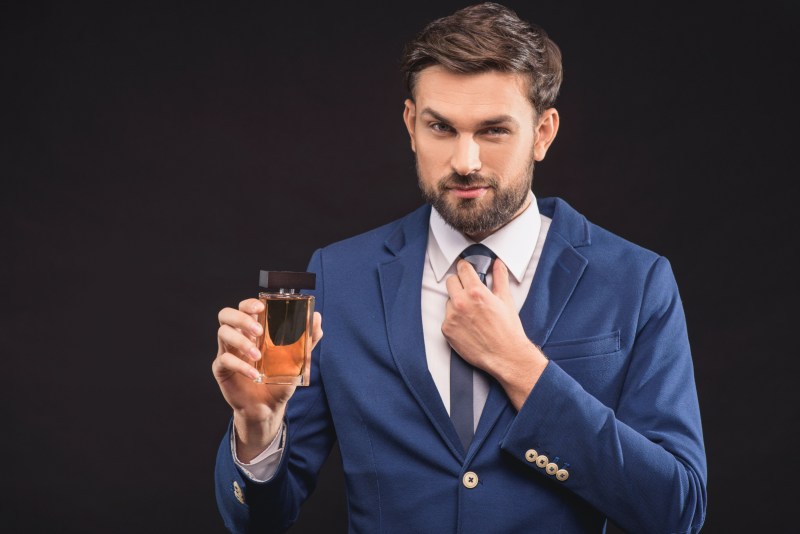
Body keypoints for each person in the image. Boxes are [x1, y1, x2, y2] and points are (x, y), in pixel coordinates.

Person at [212, 3, 707, 532]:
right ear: (410, 124)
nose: (465, 161)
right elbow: (259, 522)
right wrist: (257, 428)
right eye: (441, 127)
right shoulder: (340, 276)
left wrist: (523, 369)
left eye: (494, 131)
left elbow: (676, 510)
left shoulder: (635, 281)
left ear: (543, 132)